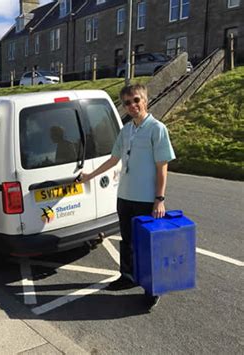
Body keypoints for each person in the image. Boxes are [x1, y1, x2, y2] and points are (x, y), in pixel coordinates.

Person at [77, 84, 175, 309]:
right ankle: (127, 277)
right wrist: (90, 175)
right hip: (125, 197)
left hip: (146, 199)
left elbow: (162, 167)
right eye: (127, 103)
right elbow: (113, 159)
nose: (132, 106)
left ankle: (153, 289)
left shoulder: (157, 129)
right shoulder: (126, 130)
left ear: (145, 101)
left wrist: (159, 199)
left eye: (136, 100)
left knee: (148, 245)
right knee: (128, 241)